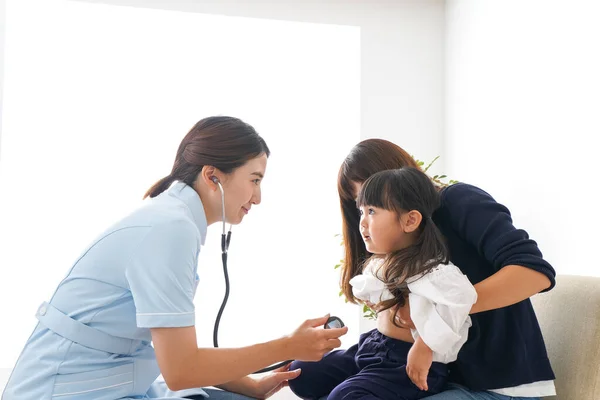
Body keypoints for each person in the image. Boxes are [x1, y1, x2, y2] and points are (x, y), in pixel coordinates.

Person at [1, 116, 348, 400]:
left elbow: (174, 353)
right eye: (254, 180)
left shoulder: (175, 221)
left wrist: (249, 384)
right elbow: (182, 370)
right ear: (213, 176)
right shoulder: (171, 230)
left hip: (111, 383)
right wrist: (288, 346)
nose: (258, 197)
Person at [290, 138, 556, 400]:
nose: (366, 220)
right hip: (436, 368)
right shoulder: (400, 240)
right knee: (303, 374)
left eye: (374, 204)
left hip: (493, 383)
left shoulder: (457, 201)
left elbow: (535, 273)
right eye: (361, 205)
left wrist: (438, 311)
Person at [289, 167, 478, 400]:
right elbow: (371, 290)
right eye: (361, 212)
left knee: (346, 396)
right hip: (374, 346)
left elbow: (461, 300)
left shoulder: (435, 271)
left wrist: (425, 345)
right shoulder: (384, 261)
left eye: (371, 211)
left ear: (410, 221)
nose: (362, 222)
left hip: (410, 363)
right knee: (301, 372)